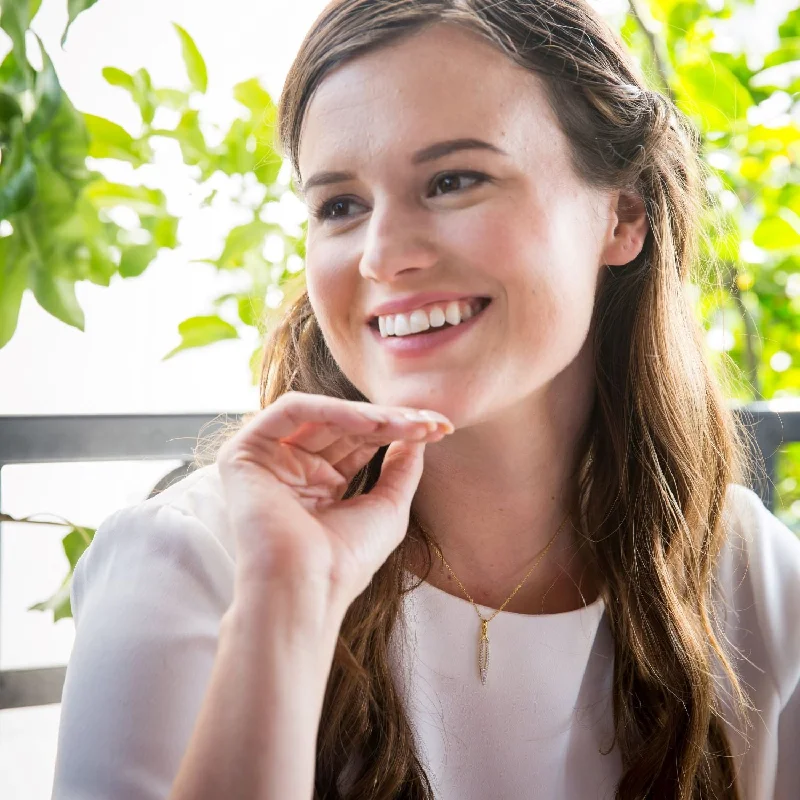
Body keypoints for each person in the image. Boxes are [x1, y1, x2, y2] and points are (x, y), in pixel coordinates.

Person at [51, 1, 800, 798]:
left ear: (622, 214)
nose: (382, 256)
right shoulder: (186, 564)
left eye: (453, 180)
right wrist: (286, 602)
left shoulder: (755, 577)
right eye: (339, 205)